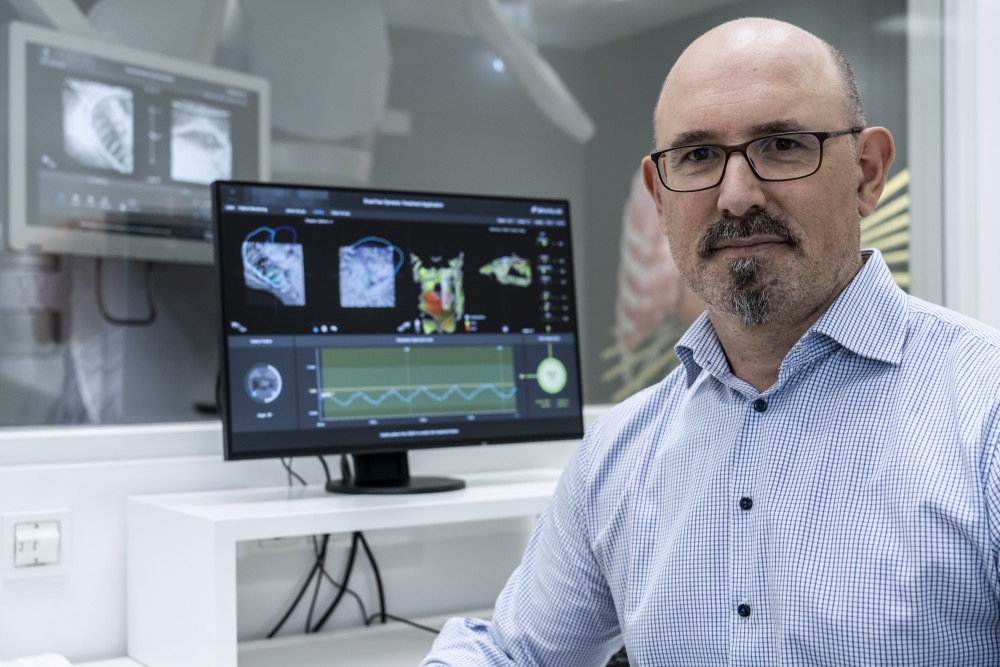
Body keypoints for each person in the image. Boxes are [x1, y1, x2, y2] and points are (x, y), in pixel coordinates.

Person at [421, 17, 1000, 666]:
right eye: (697, 156)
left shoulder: (986, 417)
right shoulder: (619, 453)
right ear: (659, 197)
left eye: (782, 145)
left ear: (866, 173)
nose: (736, 195)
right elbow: (513, 653)